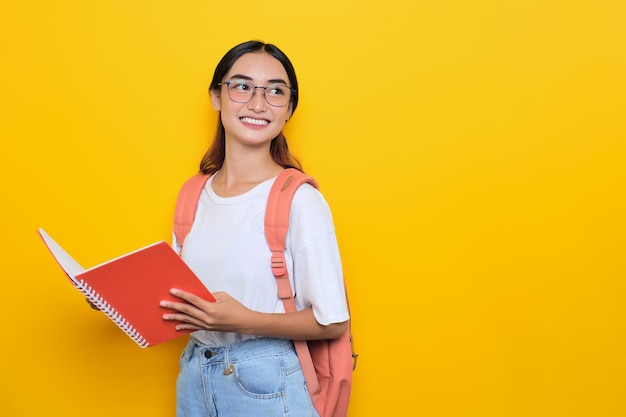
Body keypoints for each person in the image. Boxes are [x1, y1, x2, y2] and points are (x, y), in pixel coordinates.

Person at [159, 40, 350, 417]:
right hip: (194, 376)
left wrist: (242, 320)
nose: (258, 104)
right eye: (242, 86)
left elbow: (332, 320)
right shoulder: (192, 194)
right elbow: (182, 301)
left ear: (289, 109)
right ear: (216, 96)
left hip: (268, 383)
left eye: (275, 91)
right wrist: (119, 302)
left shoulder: (299, 200)